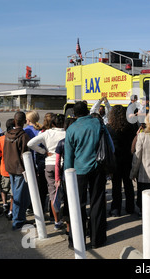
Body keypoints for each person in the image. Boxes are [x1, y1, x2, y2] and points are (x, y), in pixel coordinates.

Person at [64, 101, 107, 249]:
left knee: (78, 205)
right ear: (88, 111)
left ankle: (76, 241)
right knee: (97, 203)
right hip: (98, 168)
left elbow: (68, 156)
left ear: (74, 114)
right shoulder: (98, 123)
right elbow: (109, 145)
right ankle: (97, 240)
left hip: (78, 171)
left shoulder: (71, 129)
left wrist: (67, 176)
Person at [27, 113, 66, 230]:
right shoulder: (67, 133)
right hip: (63, 165)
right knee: (66, 193)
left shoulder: (47, 133)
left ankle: (56, 220)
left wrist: (44, 152)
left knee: (52, 195)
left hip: (49, 164)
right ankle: (67, 217)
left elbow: (30, 143)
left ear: (53, 123)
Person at [107, 105, 138, 217]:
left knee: (116, 186)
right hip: (128, 158)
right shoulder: (130, 126)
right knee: (128, 184)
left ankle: (116, 209)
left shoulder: (109, 128)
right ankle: (130, 207)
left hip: (115, 160)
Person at [4, 111, 31, 230]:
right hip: (20, 169)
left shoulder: (7, 134)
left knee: (15, 194)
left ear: (14, 121)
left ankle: (18, 218)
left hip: (10, 167)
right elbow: (25, 154)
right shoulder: (23, 136)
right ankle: (18, 221)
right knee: (20, 195)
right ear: (24, 121)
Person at [55, 116, 76, 247]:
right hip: (78, 174)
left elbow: (57, 163)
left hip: (65, 176)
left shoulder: (61, 143)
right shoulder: (78, 141)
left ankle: (68, 228)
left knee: (67, 203)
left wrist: (57, 178)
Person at [25, 111, 48, 213]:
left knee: (32, 186)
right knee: (42, 186)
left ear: (28, 120)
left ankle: (31, 206)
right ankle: (42, 206)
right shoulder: (42, 129)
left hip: (31, 161)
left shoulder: (26, 130)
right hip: (42, 160)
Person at [0, 118, 15, 220]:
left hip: (4, 168)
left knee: (4, 188)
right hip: (15, 169)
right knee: (13, 191)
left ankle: (4, 203)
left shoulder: (1, 139)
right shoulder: (16, 137)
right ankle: (11, 208)